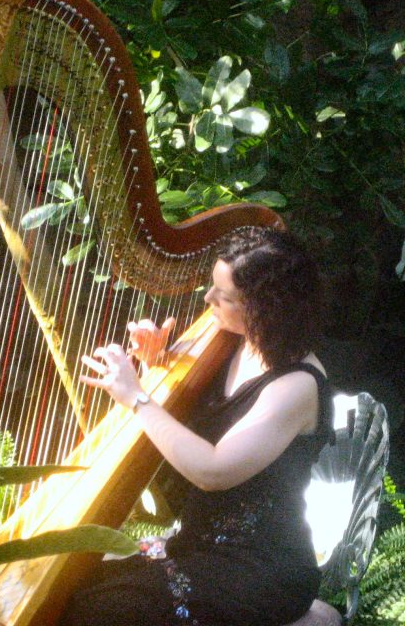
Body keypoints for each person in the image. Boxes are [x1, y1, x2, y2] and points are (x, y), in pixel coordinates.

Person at [58, 225, 334, 626]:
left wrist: (136, 397)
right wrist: (156, 364)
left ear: (263, 308)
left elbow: (213, 470)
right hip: (198, 546)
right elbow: (191, 420)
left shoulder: (297, 386)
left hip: (260, 568)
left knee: (100, 611)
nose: (208, 300)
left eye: (223, 296)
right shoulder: (233, 343)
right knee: (77, 581)